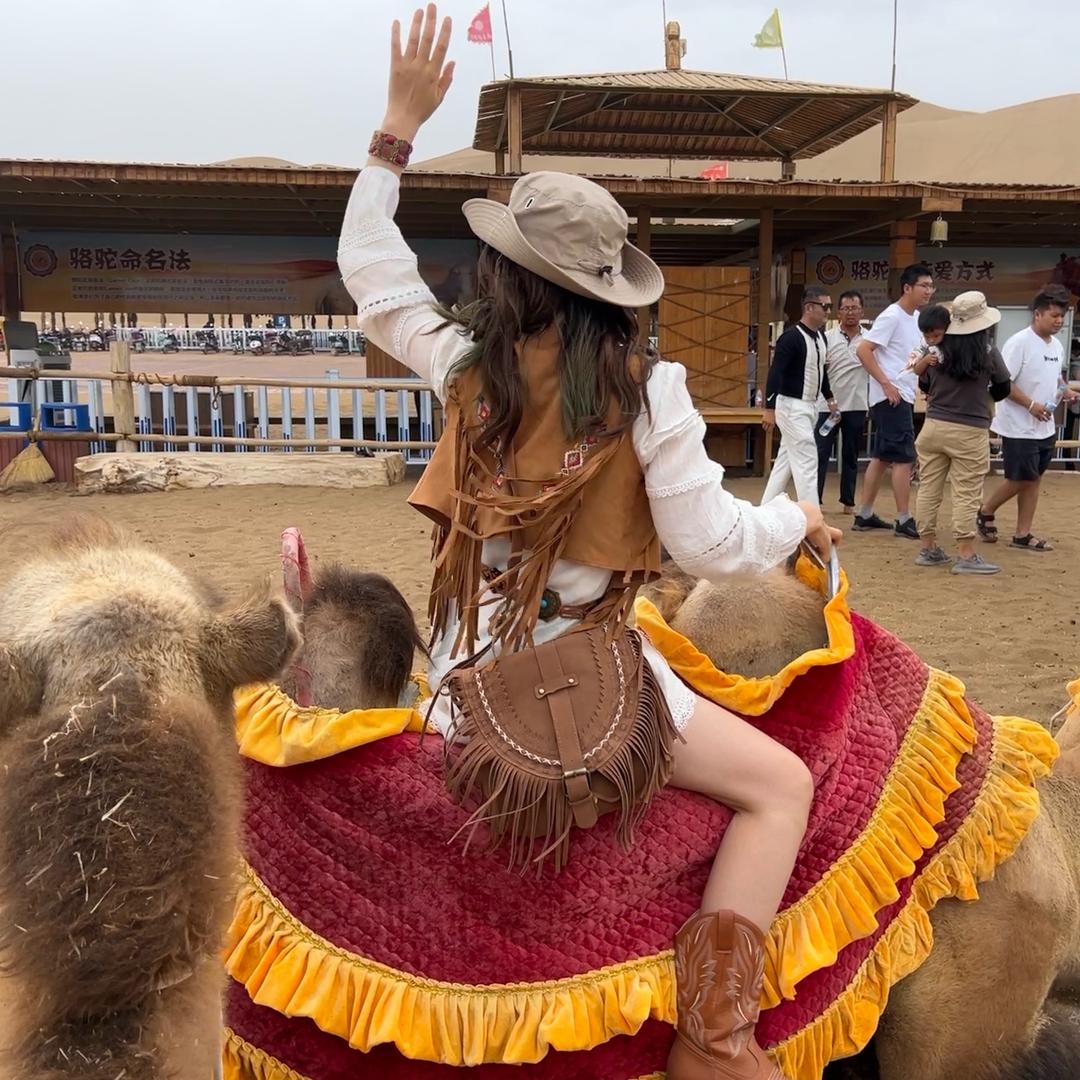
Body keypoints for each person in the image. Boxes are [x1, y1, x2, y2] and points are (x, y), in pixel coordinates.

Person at [337, 9, 840, 1079]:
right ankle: (714, 1038)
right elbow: (710, 545)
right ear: (609, 288)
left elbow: (372, 272)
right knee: (782, 786)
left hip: (464, 678)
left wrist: (396, 127)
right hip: (607, 676)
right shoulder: (649, 390)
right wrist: (797, 519)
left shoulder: (459, 362)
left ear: (507, 273)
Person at [911, 293, 1011, 575]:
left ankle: (928, 548)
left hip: (933, 427)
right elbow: (1003, 387)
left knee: (929, 487)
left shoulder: (937, 349)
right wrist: (982, 395)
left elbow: (925, 384)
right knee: (966, 491)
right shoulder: (987, 351)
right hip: (970, 429)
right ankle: (965, 553)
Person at [978, 285, 1079, 551]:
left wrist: (1065, 390)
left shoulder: (1056, 345)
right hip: (1018, 425)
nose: (1059, 321)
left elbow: (1055, 376)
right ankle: (986, 510)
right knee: (1022, 477)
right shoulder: (1019, 342)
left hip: (1044, 426)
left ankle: (1023, 533)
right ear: (1038, 314)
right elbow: (1003, 382)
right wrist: (1030, 404)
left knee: (1034, 478)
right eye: (1054, 315)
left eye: (1062, 316)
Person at [852, 264, 936, 537]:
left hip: (903, 393)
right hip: (891, 395)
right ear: (907, 287)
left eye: (930, 286)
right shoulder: (892, 316)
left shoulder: (916, 319)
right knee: (903, 457)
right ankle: (903, 518)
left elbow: (907, 359)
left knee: (882, 455)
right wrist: (886, 384)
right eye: (923, 285)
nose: (928, 291)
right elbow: (864, 349)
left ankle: (864, 514)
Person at [761, 286, 835, 505]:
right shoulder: (791, 337)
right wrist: (769, 409)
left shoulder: (821, 337)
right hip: (792, 406)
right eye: (825, 307)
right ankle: (812, 519)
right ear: (809, 307)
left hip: (810, 406)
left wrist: (830, 399)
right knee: (807, 461)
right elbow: (775, 373)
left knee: (785, 462)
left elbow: (821, 370)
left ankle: (765, 509)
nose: (828, 311)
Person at [815, 290, 867, 513]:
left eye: (855, 308)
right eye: (846, 308)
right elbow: (819, 372)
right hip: (828, 406)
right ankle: (814, 500)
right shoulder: (826, 338)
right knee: (820, 454)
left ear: (862, 311)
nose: (851, 313)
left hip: (857, 404)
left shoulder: (870, 340)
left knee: (851, 454)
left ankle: (848, 502)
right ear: (838, 313)